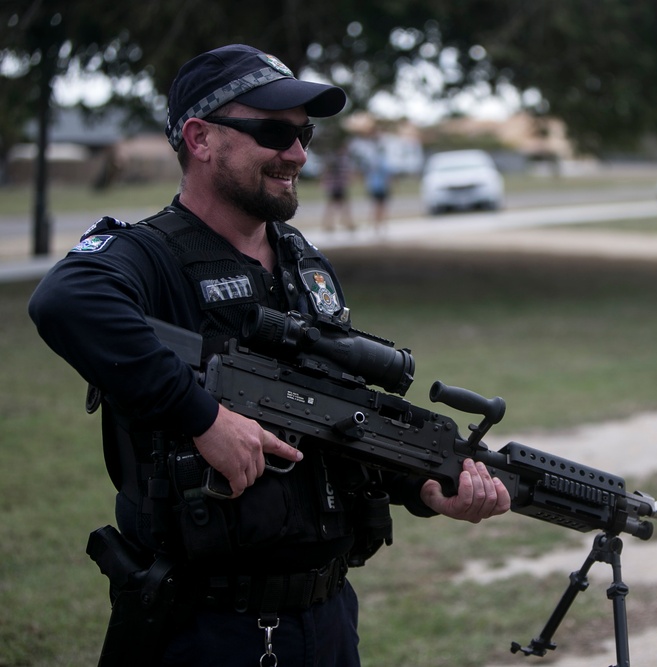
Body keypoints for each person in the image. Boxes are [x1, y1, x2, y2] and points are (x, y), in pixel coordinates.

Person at [28, 44, 510, 667]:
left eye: (304, 133)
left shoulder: (305, 263)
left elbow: (335, 421)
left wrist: (425, 484)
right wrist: (202, 418)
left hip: (328, 618)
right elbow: (65, 300)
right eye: (275, 132)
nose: (299, 154)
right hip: (203, 628)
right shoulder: (149, 256)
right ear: (200, 139)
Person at [321, 143, 356, 233]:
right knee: (338, 206)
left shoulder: (333, 160)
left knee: (338, 206)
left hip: (337, 186)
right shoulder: (342, 161)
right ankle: (333, 224)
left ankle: (332, 224)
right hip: (338, 186)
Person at [363, 141, 391, 235]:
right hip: (381, 187)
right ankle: (379, 226)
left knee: (375, 207)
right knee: (381, 207)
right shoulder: (382, 161)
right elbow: (387, 175)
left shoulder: (372, 161)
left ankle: (375, 226)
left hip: (374, 186)